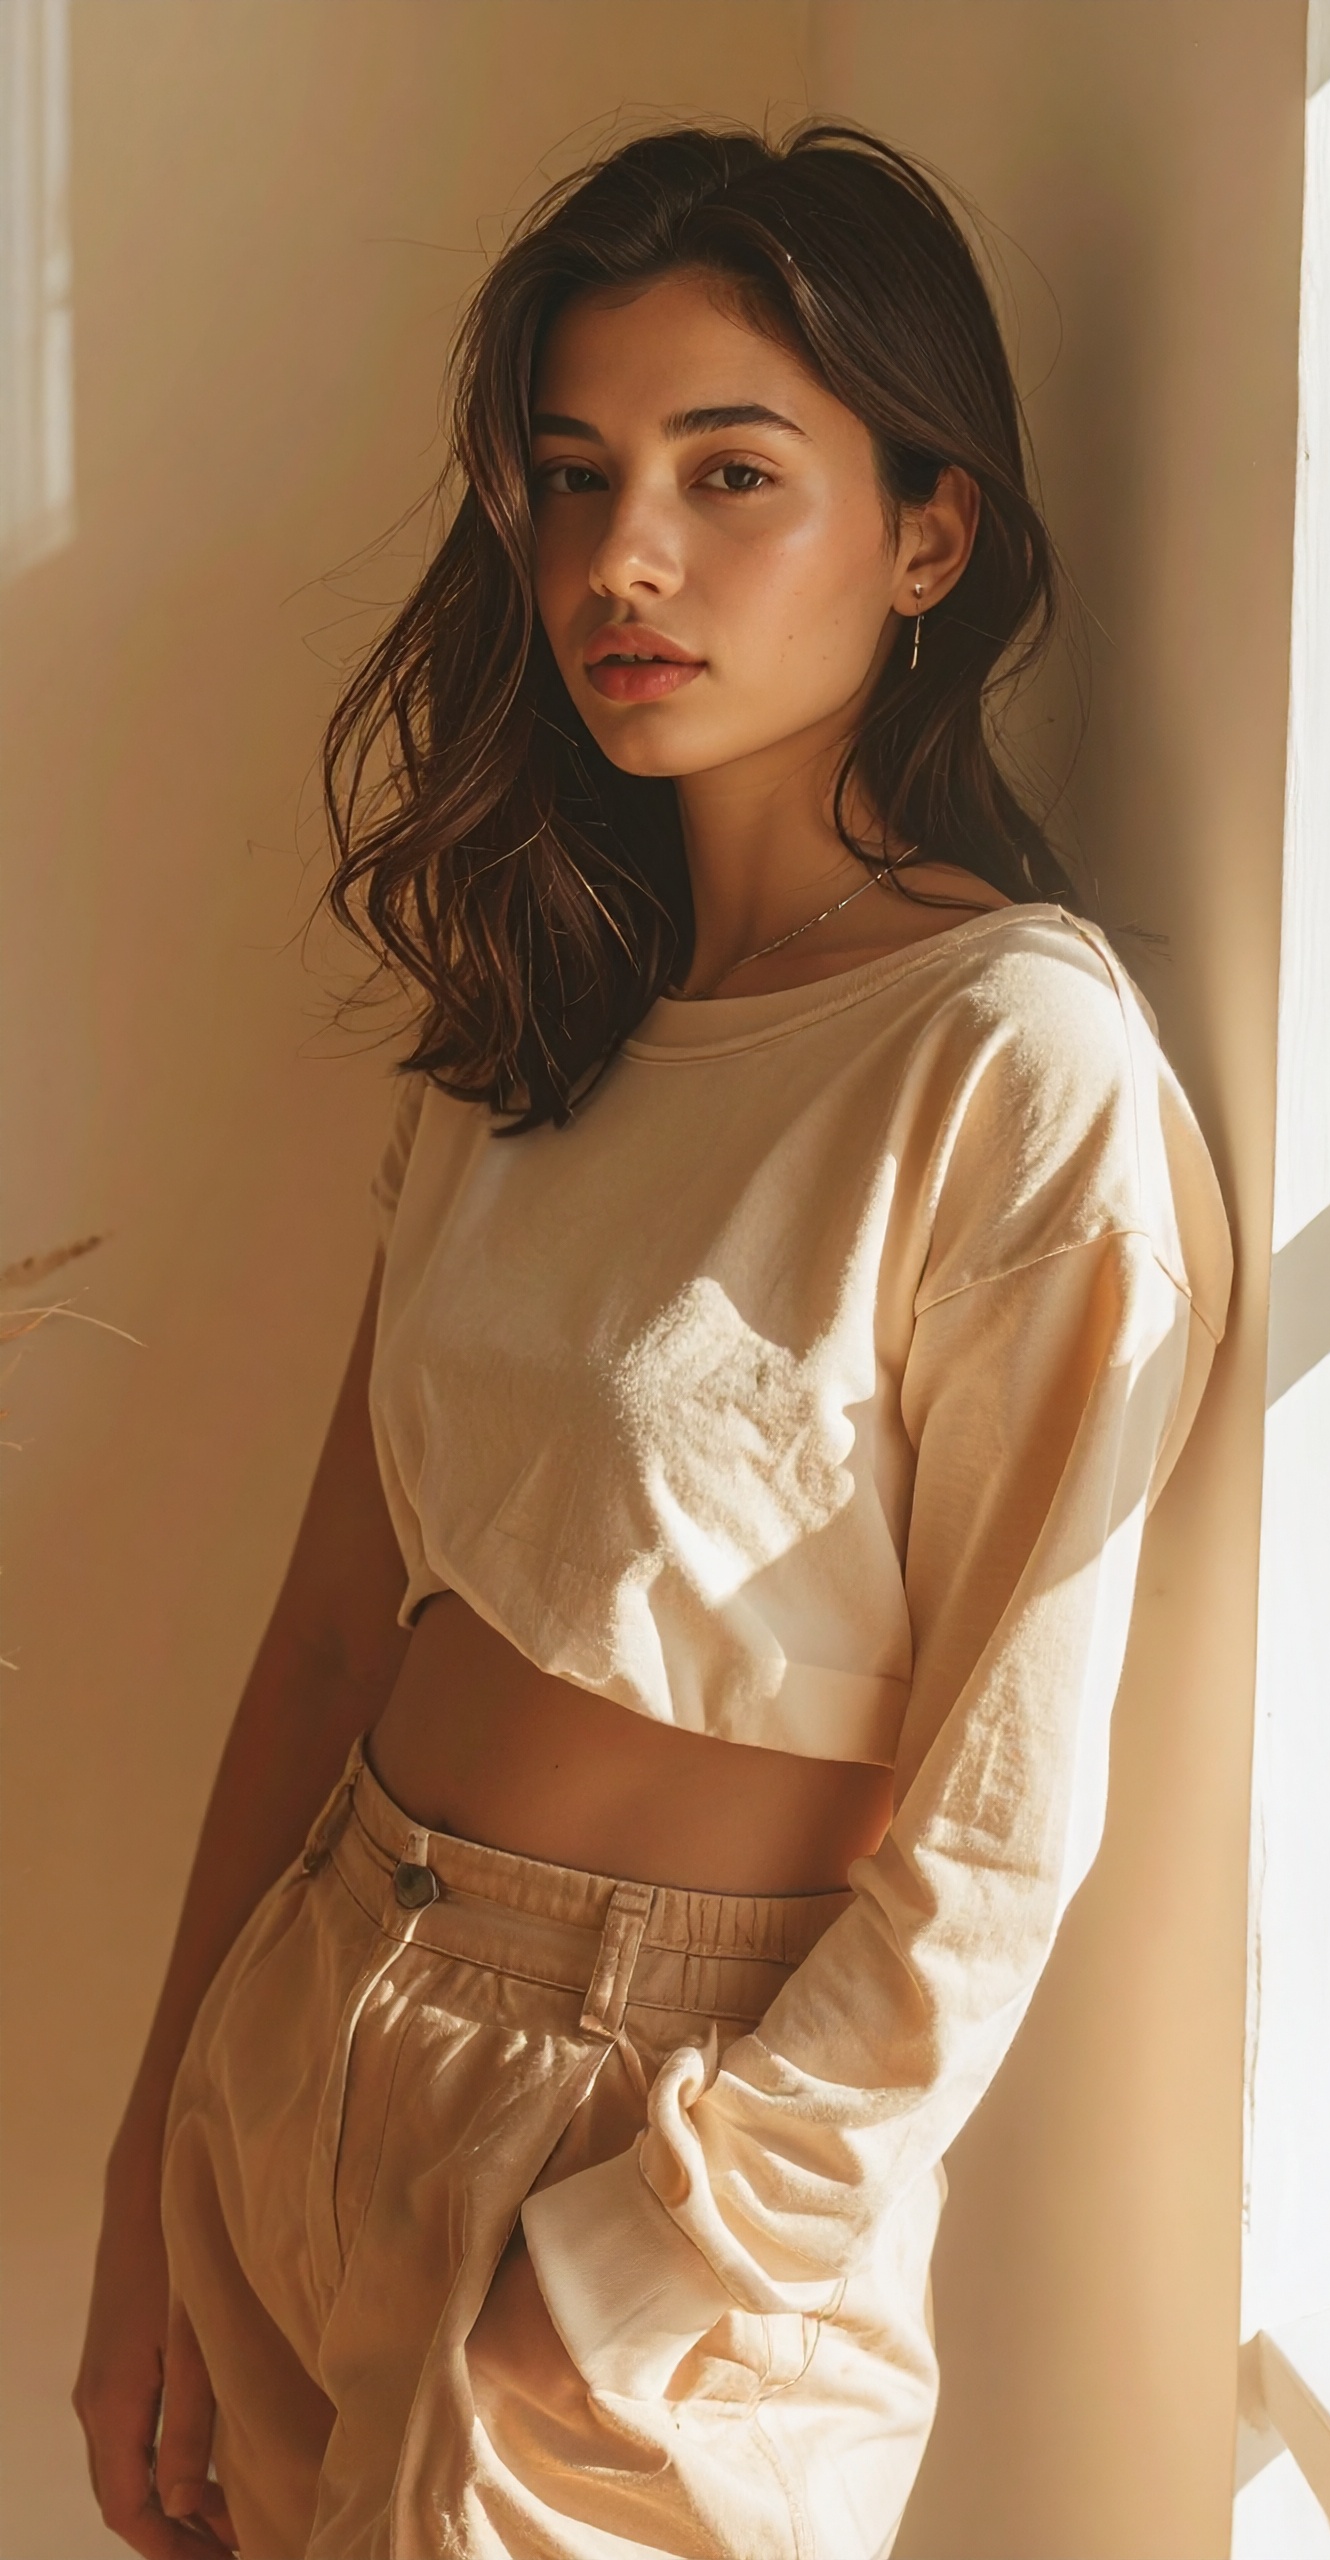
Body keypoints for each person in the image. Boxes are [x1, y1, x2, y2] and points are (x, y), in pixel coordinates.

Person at [73, 121, 1232, 2560]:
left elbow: (995, 1831)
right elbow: (320, 1638)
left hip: (634, 2178)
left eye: (734, 475)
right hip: (309, 2052)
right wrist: (147, 2162)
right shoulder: (540, 1029)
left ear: (933, 532)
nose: (626, 558)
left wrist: (611, 2282)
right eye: (579, 478)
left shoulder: (1012, 1062)